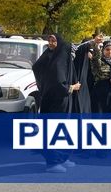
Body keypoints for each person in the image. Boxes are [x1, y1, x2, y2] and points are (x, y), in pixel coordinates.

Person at [32, 33, 80, 173]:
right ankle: (52, 162)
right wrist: (72, 87)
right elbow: (58, 83)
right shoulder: (56, 59)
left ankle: (62, 158)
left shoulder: (57, 57)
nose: (51, 43)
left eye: (54, 41)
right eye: (50, 40)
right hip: (55, 102)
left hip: (60, 101)